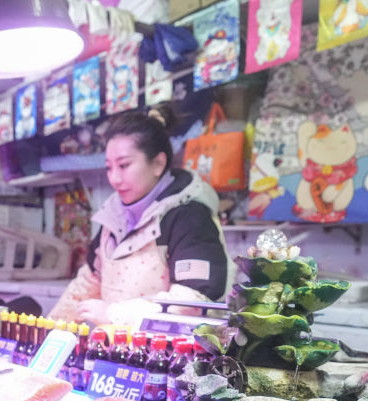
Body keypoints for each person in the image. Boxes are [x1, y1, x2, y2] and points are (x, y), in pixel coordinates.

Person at [48, 104, 233, 326]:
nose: (114, 179)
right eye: (109, 167)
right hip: (116, 345)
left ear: (158, 164)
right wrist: (48, 329)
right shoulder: (114, 219)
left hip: (169, 348)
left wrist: (115, 315)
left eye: (124, 165)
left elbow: (193, 300)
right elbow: (90, 281)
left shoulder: (189, 218)